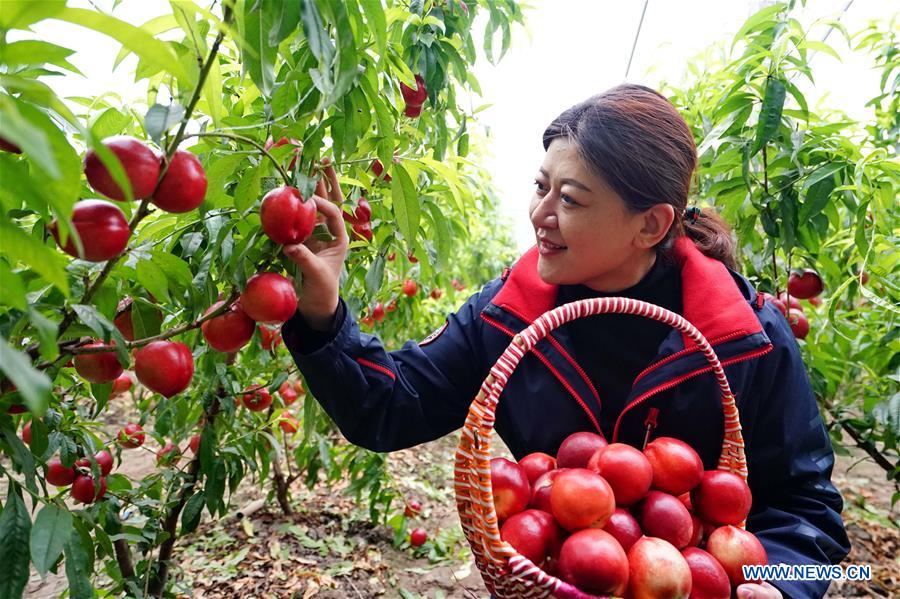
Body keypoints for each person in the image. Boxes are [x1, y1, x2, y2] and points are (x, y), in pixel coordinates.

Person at [280, 84, 850, 599]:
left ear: (650, 225)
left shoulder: (746, 337)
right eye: (541, 187)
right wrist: (321, 312)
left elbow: (808, 511)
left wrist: (780, 584)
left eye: (571, 199)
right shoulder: (507, 315)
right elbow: (390, 408)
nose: (540, 214)